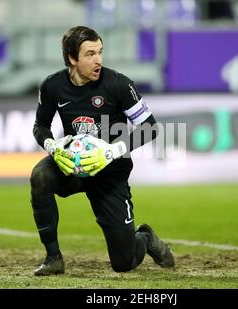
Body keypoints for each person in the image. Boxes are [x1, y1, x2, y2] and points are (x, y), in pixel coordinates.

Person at [30, 26, 175, 275]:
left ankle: (145, 237)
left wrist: (111, 151)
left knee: (124, 263)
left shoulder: (118, 84)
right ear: (72, 59)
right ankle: (53, 257)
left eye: (100, 52)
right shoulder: (52, 86)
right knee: (40, 175)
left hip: (110, 173)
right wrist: (52, 146)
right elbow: (40, 126)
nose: (98, 60)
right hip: (74, 166)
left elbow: (150, 127)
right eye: (90, 54)